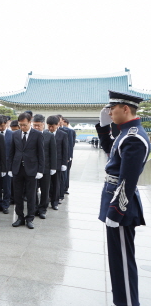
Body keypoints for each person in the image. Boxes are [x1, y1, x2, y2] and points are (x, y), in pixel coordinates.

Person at [96, 91, 148, 306]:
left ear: (125, 109)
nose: (109, 112)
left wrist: (116, 211)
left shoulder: (134, 137)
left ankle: (127, 302)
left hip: (121, 206)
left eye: (112, 108)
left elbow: (128, 180)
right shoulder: (125, 132)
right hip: (114, 200)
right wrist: (103, 128)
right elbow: (111, 152)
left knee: (123, 263)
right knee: (117, 261)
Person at [7, 112, 44, 229]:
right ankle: (20, 217)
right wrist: (10, 168)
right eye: (20, 125)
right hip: (17, 169)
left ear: (30, 122)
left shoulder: (37, 135)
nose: (22, 127)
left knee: (31, 195)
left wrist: (40, 170)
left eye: (24, 125)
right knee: (17, 195)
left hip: (32, 169)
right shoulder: (15, 134)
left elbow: (41, 154)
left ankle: (30, 218)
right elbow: (11, 152)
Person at [32, 114, 56, 219]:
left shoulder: (49, 136)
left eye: (38, 125)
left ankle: (42, 209)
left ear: (43, 124)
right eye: (34, 125)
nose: (36, 127)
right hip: (32, 168)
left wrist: (53, 167)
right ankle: (34, 208)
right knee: (33, 190)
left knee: (45, 190)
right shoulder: (30, 135)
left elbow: (53, 153)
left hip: (46, 168)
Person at [46, 115, 68, 211]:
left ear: (57, 125)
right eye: (49, 126)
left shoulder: (62, 134)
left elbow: (65, 149)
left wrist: (64, 163)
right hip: (47, 163)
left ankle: (55, 202)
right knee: (47, 184)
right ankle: (46, 199)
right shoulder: (45, 133)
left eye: (52, 126)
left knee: (56, 183)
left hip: (58, 163)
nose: (50, 128)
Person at [0, 115, 13, 214]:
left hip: (7, 164)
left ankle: (5, 205)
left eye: (2, 125)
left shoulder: (12, 134)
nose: (1, 128)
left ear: (6, 124)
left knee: (7, 186)